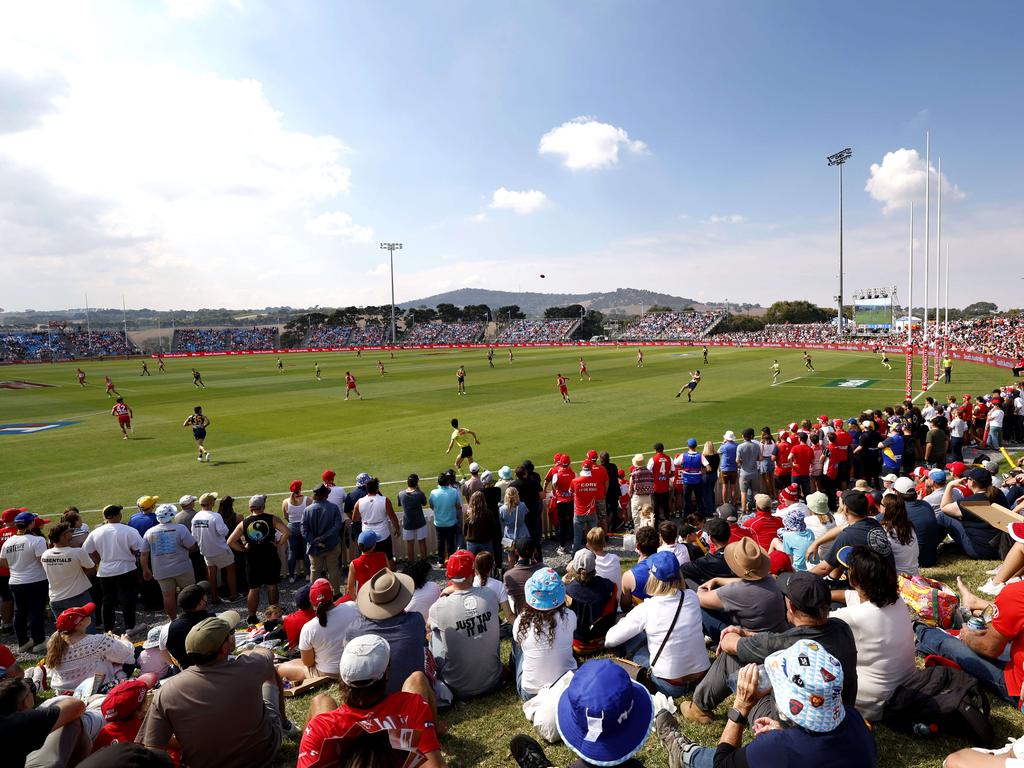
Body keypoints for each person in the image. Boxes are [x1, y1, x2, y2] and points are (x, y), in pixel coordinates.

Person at [658, 640, 876, 768]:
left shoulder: (778, 748)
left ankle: (685, 753)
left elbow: (722, 765)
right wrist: (785, 731)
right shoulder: (855, 721)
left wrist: (741, 707)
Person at [682, 570, 858, 725]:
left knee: (732, 656)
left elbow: (730, 645)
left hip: (787, 724)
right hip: (837, 715)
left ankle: (699, 708)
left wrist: (733, 633)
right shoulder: (842, 628)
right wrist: (747, 633)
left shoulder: (784, 645)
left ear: (790, 606)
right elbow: (786, 638)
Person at [138, 610, 294, 768]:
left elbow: (152, 747)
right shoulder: (249, 666)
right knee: (271, 672)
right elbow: (267, 654)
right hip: (262, 756)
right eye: (230, 633)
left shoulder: (167, 691)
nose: (232, 635)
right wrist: (246, 653)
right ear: (225, 647)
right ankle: (285, 724)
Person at [297, 635, 444, 768]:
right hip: (403, 740)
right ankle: (433, 736)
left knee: (321, 701)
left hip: (331, 735)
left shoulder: (321, 726)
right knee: (417, 678)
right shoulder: (410, 706)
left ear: (343, 677)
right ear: (386, 673)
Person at [606, 551, 710, 696]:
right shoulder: (692, 596)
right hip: (702, 677)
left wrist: (623, 621)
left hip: (668, 684)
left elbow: (610, 640)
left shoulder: (648, 608)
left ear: (653, 576)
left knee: (632, 639)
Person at [915, 575, 1024, 704]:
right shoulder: (1016, 594)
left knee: (953, 647)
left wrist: (967, 637)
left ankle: (919, 631)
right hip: (1016, 656)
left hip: (1016, 683)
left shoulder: (1016, 593)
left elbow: (989, 648)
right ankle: (973, 605)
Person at [428, 549, 502, 698]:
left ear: (448, 575)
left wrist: (445, 593)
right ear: (472, 573)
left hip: (456, 687)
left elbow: (428, 625)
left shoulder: (439, 606)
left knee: (435, 632)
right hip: (493, 680)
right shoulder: (489, 594)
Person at [697, 538, 787, 643]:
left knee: (702, 610)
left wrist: (700, 589)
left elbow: (698, 598)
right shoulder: (770, 579)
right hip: (777, 634)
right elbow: (744, 582)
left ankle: (720, 641)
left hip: (752, 642)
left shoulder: (734, 592)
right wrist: (718, 580)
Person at [512, 568, 577, 700]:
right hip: (567, 686)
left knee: (517, 644)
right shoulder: (570, 616)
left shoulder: (520, 621)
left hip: (531, 693)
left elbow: (518, 639)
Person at [278, 578, 358, 683]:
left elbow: (308, 663)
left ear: (311, 602)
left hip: (330, 673)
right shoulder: (353, 607)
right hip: (356, 664)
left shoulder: (309, 628)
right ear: (332, 593)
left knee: (281, 668)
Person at [0, 676, 92, 768]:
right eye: (32, 690)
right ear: (26, 702)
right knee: (72, 720)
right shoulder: (21, 722)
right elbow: (77, 705)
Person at [227, 494, 290, 625]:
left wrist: (243, 549)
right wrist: (279, 543)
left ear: (250, 508)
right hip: (270, 557)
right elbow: (287, 532)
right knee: (272, 586)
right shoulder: (272, 518)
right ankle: (275, 613)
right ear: (263, 506)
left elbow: (230, 541)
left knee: (253, 588)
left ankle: (251, 616)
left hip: (252, 559)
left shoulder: (244, 523)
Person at [45, 603, 135, 693]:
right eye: (87, 615)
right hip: (97, 691)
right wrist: (125, 641)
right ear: (80, 624)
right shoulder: (97, 641)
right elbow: (129, 658)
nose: (90, 615)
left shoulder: (56, 645)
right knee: (134, 652)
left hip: (66, 693)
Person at [83, 505, 143, 636]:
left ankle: (108, 629)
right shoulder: (129, 530)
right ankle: (130, 627)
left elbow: (88, 549)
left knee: (108, 600)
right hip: (126, 568)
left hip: (105, 570)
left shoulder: (96, 532)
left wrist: (100, 560)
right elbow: (138, 549)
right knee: (128, 598)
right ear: (118, 516)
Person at [0, 511, 50, 652]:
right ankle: (39, 640)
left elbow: (3, 562)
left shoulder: (8, 542)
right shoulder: (37, 540)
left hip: (15, 581)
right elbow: (42, 561)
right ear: (31, 523)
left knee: (20, 612)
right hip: (36, 581)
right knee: (36, 611)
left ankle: (23, 642)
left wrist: (17, 566)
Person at [140, 504, 198, 620]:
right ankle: (193, 616)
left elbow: (144, 554)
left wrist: (145, 569)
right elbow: (192, 547)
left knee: (167, 596)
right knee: (190, 593)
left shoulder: (150, 532)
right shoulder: (180, 528)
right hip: (182, 568)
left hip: (161, 571)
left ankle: (173, 620)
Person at [936, 467, 1007, 560]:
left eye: (967, 478)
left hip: (980, 551)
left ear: (972, 482)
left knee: (943, 516)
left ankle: (930, 548)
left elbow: (944, 507)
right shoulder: (998, 493)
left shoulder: (971, 502)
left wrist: (950, 485)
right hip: (1000, 547)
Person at [564, 548, 617, 654]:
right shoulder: (610, 587)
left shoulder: (567, 591)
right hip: (602, 640)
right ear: (594, 567)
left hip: (578, 644)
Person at [41, 522, 96, 621]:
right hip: (78, 597)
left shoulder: (45, 554)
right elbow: (91, 569)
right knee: (86, 629)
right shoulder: (78, 552)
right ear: (64, 536)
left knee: (65, 632)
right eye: (70, 531)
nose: (72, 533)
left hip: (55, 598)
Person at [190, 491, 237, 602]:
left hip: (205, 550)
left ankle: (214, 597)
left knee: (211, 572)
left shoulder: (196, 517)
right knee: (231, 569)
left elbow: (194, 535)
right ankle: (234, 595)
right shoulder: (215, 516)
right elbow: (224, 532)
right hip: (220, 549)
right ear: (212, 503)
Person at [302, 484, 343, 592]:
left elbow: (304, 529)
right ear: (326, 495)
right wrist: (322, 539)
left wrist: (314, 541)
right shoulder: (333, 508)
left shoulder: (307, 510)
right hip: (331, 545)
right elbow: (337, 526)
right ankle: (336, 593)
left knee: (315, 571)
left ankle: (315, 594)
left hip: (315, 547)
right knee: (333, 569)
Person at [165, 582, 214, 668]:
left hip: (187, 671)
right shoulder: (215, 619)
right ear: (201, 602)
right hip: (215, 667)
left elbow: (166, 650)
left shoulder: (168, 628)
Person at [353, 478, 401, 562]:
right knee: (389, 558)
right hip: (383, 535)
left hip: (367, 536)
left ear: (366, 488)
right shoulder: (385, 500)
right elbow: (393, 517)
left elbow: (355, 519)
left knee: (368, 560)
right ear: (377, 488)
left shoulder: (359, 502)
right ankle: (392, 575)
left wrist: (366, 518)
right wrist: (397, 529)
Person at [880, 484, 920, 575]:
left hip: (897, 577)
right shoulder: (909, 526)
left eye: (882, 504)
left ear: (886, 509)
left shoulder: (884, 530)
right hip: (914, 573)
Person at [620, 525, 659, 609]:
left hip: (643, 617)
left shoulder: (629, 576)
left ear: (637, 546)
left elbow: (625, 606)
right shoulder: (670, 567)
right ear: (658, 544)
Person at [504, 538, 545, 617]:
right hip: (542, 613)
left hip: (522, 616)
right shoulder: (544, 569)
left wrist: (510, 556)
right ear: (535, 551)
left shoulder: (509, 575)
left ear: (516, 552)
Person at [345, 531, 392, 599]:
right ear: (374, 546)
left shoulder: (354, 563)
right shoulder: (383, 555)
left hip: (364, 598)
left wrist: (355, 600)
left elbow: (350, 586)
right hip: (382, 594)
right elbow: (389, 574)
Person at [429, 473, 462, 564]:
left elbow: (431, 506)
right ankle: (451, 561)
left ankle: (440, 561)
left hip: (439, 523)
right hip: (451, 522)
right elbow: (458, 506)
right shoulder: (454, 491)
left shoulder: (433, 492)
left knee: (441, 542)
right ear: (447, 482)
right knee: (451, 543)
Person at [769, 507, 815, 571]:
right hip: (813, 567)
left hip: (797, 569)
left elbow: (789, 559)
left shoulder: (787, 536)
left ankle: (767, 565)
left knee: (775, 541)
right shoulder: (810, 532)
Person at [395, 474, 429, 561]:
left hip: (408, 523)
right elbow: (424, 503)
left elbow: (400, 504)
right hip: (420, 522)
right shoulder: (419, 494)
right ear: (417, 482)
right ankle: (424, 561)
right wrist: (419, 490)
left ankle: (410, 563)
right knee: (421, 542)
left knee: (410, 543)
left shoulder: (401, 494)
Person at [281, 481, 309, 582]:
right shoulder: (307, 499)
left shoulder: (285, 501)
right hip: (304, 527)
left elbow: (285, 516)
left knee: (292, 552)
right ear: (300, 488)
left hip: (292, 526)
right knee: (306, 551)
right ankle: (307, 574)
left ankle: (291, 576)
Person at [570, 460, 601, 551]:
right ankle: (596, 553)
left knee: (577, 536)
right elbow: (597, 492)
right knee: (595, 535)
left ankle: (575, 555)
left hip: (579, 512)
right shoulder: (595, 480)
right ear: (591, 468)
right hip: (591, 511)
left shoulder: (575, 481)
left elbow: (570, 492)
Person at [718, 431, 739, 507]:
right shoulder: (737, 445)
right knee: (733, 487)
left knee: (725, 486)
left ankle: (725, 503)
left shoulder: (724, 446)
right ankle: (734, 503)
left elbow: (718, 452)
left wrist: (723, 443)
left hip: (724, 469)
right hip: (734, 468)